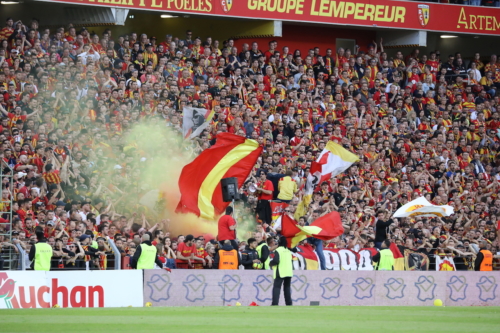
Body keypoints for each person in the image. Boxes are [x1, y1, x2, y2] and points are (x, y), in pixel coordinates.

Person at [270, 236, 294, 306]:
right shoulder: (288, 250)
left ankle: (275, 303)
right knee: (287, 288)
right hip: (288, 271)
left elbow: (276, 261)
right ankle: (289, 303)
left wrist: (271, 263)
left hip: (280, 271)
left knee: (277, 287)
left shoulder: (278, 250)